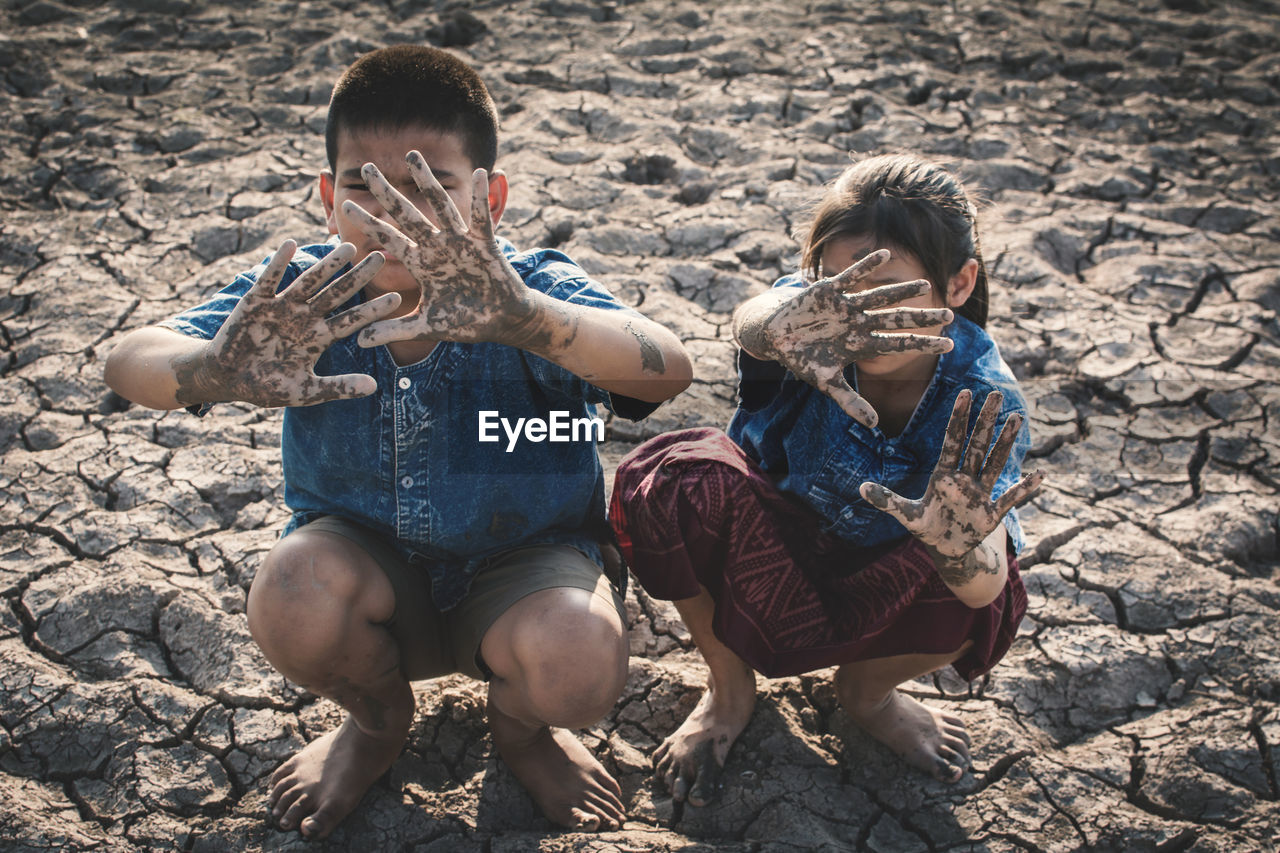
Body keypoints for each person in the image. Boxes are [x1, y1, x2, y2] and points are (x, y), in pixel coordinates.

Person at [104, 45, 692, 839]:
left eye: (429, 187)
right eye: (362, 188)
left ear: (491, 198)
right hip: (370, 574)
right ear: (325, 198)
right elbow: (130, 358)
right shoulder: (302, 296)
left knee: (580, 663)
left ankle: (519, 731)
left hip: (526, 568)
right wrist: (217, 369)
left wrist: (528, 321)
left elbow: (667, 368)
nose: (391, 215)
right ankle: (378, 722)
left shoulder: (527, 287)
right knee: (289, 593)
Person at [609, 154, 1045, 806]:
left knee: (992, 587)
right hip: (774, 543)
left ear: (958, 284)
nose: (857, 313)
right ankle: (729, 690)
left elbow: (983, 590)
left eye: (888, 290)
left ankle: (868, 696)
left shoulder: (981, 398)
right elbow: (758, 321)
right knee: (673, 477)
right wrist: (787, 322)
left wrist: (958, 550)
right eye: (838, 286)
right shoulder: (812, 320)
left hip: (885, 578)